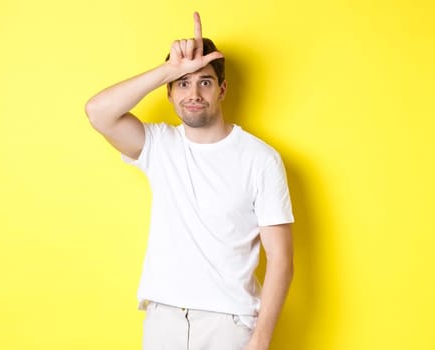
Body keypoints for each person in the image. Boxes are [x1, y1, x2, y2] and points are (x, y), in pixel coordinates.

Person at [84, 12, 295, 350]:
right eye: (183, 83)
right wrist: (170, 69)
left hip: (229, 324)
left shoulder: (261, 159)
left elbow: (281, 259)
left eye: (205, 82)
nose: (193, 92)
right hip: (163, 321)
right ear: (169, 93)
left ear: (222, 89)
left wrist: (260, 340)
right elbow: (98, 112)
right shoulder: (159, 145)